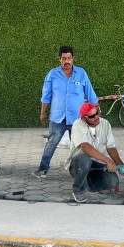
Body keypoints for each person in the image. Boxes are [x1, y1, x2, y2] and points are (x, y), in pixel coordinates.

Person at [34, 45, 97, 178]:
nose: (66, 61)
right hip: (58, 118)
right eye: (63, 58)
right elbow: (46, 96)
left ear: (73, 58)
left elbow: (90, 95)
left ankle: (82, 170)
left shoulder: (81, 73)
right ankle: (43, 168)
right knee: (51, 143)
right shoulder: (52, 74)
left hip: (78, 119)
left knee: (80, 145)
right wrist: (43, 112)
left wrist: (96, 113)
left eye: (69, 58)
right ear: (59, 59)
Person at [65, 102, 124, 203]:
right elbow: (85, 147)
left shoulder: (105, 124)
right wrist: (107, 160)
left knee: (113, 181)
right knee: (84, 159)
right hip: (77, 164)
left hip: (94, 164)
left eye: (97, 113)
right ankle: (78, 190)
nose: (96, 117)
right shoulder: (78, 124)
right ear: (84, 118)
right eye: (92, 116)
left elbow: (111, 147)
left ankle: (88, 185)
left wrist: (121, 165)